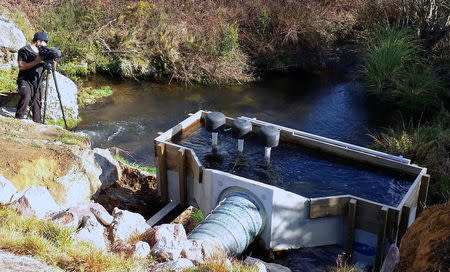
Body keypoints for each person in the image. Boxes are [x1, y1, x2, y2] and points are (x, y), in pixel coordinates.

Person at [15, 31, 55, 122]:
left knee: (37, 101)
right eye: (45, 41)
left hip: (38, 80)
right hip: (25, 79)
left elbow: (51, 69)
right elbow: (21, 66)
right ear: (38, 41)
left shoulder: (44, 53)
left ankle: (37, 122)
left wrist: (53, 63)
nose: (46, 44)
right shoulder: (24, 50)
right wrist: (35, 62)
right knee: (26, 95)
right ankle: (18, 119)